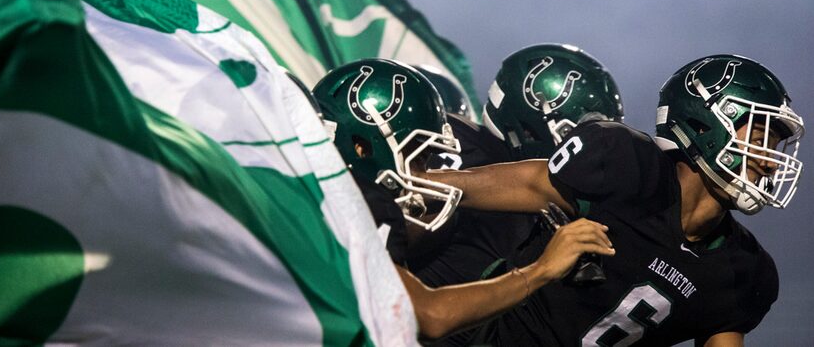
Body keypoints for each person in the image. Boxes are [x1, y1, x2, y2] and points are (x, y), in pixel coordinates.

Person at [421, 54, 805, 346]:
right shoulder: (625, 163)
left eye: (772, 146)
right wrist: (408, 184)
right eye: (758, 138)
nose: (767, 161)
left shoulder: (743, 271)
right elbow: (528, 184)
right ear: (705, 124)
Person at [312, 58, 615, 340]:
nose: (425, 173)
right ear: (361, 145)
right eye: (417, 155)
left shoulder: (321, 187)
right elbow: (429, 315)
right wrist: (541, 270)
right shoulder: (352, 205)